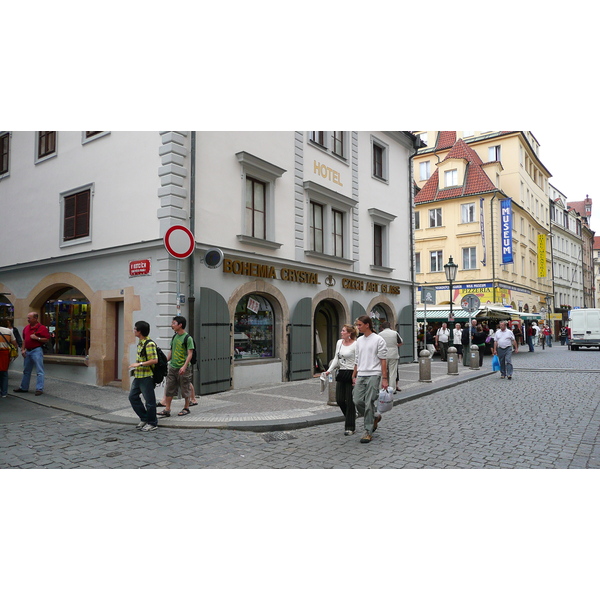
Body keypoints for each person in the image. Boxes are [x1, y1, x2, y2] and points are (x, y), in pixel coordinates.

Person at [352, 315, 388, 444]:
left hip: (374, 373)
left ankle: (368, 431)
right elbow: (357, 359)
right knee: (357, 400)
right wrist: (354, 374)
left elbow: (383, 359)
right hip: (361, 373)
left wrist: (384, 378)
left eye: (360, 325)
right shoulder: (359, 340)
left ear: (367, 325)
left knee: (369, 403)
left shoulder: (378, 339)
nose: (358, 327)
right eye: (357, 325)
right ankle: (374, 417)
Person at [158, 316, 195, 418]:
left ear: (180, 325)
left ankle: (186, 407)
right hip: (173, 367)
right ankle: (167, 409)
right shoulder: (174, 337)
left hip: (184, 368)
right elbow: (171, 350)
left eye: (174, 323)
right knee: (169, 388)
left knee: (185, 388)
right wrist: (166, 361)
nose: (172, 325)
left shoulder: (188, 338)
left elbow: (190, 354)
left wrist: (184, 366)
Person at [325, 324, 358, 436]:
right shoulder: (339, 342)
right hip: (341, 372)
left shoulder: (356, 344)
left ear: (349, 333)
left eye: (343, 331)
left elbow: (357, 362)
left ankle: (350, 427)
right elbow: (336, 358)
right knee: (339, 399)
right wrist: (329, 370)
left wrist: (355, 375)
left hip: (351, 372)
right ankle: (351, 416)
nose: (341, 332)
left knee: (349, 401)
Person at [128, 321, 159, 432]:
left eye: (135, 328)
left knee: (149, 401)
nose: (134, 330)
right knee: (132, 397)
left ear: (140, 331)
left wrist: (139, 364)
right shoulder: (140, 342)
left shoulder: (149, 344)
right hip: (139, 375)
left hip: (146, 376)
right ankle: (144, 418)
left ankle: (152, 423)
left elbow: (154, 360)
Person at [13, 312, 51, 396]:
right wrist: (23, 349)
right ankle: (24, 387)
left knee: (39, 370)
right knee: (26, 370)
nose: (28, 320)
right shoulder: (26, 328)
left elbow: (47, 339)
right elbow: (24, 340)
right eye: (27, 318)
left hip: (36, 350)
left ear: (35, 318)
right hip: (28, 350)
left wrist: (37, 338)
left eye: (29, 318)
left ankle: (39, 388)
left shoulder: (42, 328)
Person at [378, 321, 403, 392]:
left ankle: (381, 388)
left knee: (383, 372)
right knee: (392, 373)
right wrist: (395, 346)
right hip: (393, 354)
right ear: (390, 326)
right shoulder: (395, 333)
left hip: (383, 355)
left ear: (382, 327)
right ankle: (392, 389)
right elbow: (401, 342)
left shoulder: (380, 334)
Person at [0, 319, 17, 398]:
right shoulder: (8, 331)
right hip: (5, 354)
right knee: (4, 373)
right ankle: (4, 392)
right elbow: (14, 343)